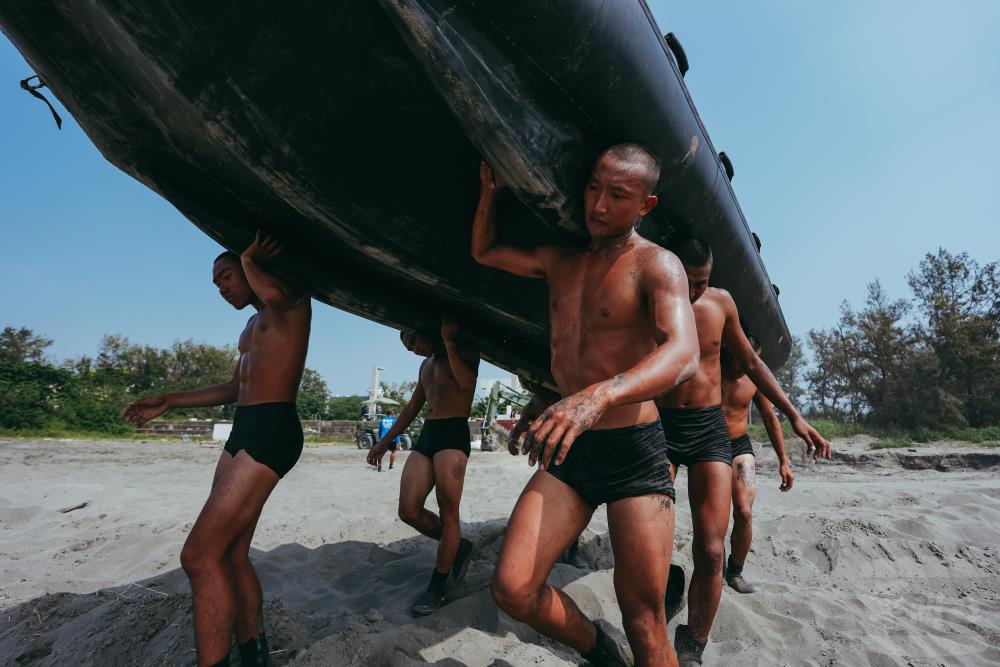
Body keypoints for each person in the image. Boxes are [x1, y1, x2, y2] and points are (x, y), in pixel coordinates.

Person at [476, 144, 700, 667]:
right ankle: (598, 650)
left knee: (644, 621)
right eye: (593, 188)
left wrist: (599, 395)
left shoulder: (656, 264)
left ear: (645, 205)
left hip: (634, 454)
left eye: (617, 195)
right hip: (571, 449)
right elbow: (485, 253)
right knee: (512, 589)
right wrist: (489, 195)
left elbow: (683, 352)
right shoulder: (560, 261)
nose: (598, 205)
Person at [123, 231, 311, 667]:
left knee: (198, 555)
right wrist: (170, 400)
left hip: (272, 430)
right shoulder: (250, 326)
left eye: (226, 276)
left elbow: (276, 293)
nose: (222, 288)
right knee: (231, 553)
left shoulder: (293, 299)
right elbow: (233, 386)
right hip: (244, 429)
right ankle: (255, 655)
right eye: (216, 283)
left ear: (252, 269)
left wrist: (248, 258)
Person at [657, 236, 830, 665]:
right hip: (660, 427)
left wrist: (795, 415)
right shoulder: (652, 297)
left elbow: (753, 365)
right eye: (689, 281)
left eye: (702, 281)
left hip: (709, 429)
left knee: (712, 549)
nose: (695, 291)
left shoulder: (720, 303)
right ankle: (670, 583)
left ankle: (692, 645)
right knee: (650, 536)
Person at [366, 318, 480, 616]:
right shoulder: (425, 366)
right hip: (428, 434)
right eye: (407, 346)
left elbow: (467, 383)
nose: (412, 350)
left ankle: (438, 586)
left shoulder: (465, 350)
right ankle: (458, 547)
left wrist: (450, 342)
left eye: (414, 342)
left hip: (453, 433)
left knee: (448, 510)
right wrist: (383, 442)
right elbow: (412, 408)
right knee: (408, 509)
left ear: (426, 333)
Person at [720, 336, 795, 594]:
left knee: (744, 511)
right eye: (743, 359)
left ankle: (735, 572)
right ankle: (712, 564)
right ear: (730, 352)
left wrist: (783, 460)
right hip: (710, 447)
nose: (747, 366)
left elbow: (770, 419)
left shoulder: (755, 377)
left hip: (740, 446)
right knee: (714, 516)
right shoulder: (711, 367)